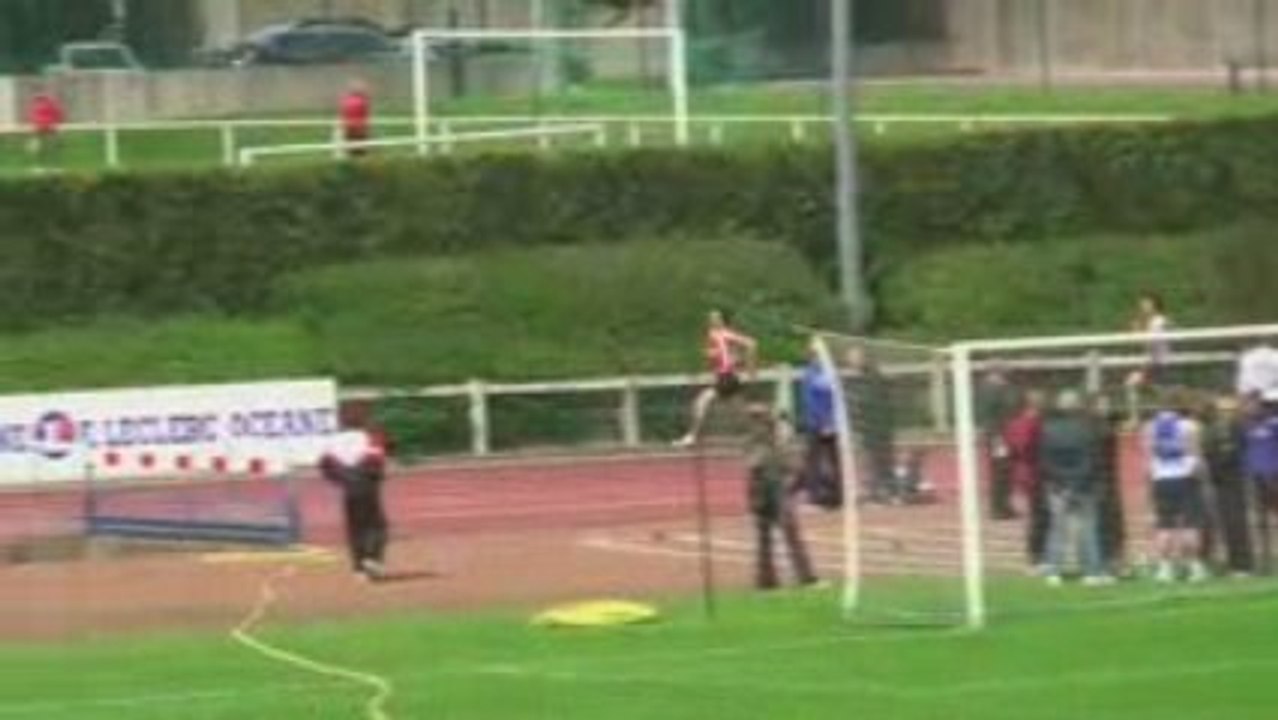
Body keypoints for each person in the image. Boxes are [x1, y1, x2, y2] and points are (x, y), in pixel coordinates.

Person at [1038, 389, 1111, 586]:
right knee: (1087, 529)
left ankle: (1054, 570)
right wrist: (1075, 484)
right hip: (1084, 485)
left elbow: (1045, 462)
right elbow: (1091, 460)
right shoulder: (1087, 429)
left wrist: (1062, 484)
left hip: (1057, 486)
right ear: (1078, 406)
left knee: (1057, 529)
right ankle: (1091, 571)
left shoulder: (1048, 429)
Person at [743, 403, 819, 590]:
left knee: (788, 535)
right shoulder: (756, 445)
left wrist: (791, 485)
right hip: (765, 492)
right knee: (767, 538)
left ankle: (804, 577)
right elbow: (756, 471)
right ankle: (767, 580)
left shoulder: (775, 443)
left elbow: (795, 468)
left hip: (775, 491)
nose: (757, 425)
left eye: (760, 420)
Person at [1143, 394, 1208, 583]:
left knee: (1164, 526)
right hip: (1185, 478)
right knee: (1190, 525)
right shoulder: (1190, 426)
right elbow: (1196, 455)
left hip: (1161, 479)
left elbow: (1147, 459)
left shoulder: (1149, 427)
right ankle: (1194, 566)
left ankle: (1165, 568)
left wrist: (1149, 481)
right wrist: (1202, 476)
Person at [673, 310, 757, 447]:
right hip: (725, 377)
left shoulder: (724, 334)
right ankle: (767, 431)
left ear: (722, 321)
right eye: (710, 317)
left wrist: (751, 371)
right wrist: (718, 357)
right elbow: (723, 356)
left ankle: (692, 436)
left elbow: (751, 344)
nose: (711, 320)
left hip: (727, 378)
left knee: (702, 402)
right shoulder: (713, 335)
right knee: (740, 409)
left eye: (715, 318)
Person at [319, 431, 389, 581]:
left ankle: (359, 569)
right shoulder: (369, 436)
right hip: (367, 488)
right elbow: (377, 461)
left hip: (349, 491)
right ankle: (372, 557)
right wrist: (377, 477)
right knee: (377, 526)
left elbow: (324, 464)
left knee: (355, 529)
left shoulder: (335, 441)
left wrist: (340, 481)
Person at [1203, 395, 1254, 575]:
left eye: (1231, 411)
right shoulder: (1210, 431)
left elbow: (1241, 451)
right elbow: (1207, 453)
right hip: (1217, 482)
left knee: (1238, 523)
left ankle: (1243, 565)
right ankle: (1227, 563)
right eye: (1223, 410)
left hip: (1236, 482)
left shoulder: (1240, 430)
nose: (1227, 414)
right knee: (1222, 524)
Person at [845, 346, 898, 503]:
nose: (851, 362)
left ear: (863, 358)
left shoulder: (873, 377)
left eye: (853, 358)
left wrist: (861, 414)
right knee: (870, 460)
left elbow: (874, 402)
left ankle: (883, 492)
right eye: (850, 358)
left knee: (879, 460)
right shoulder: (862, 378)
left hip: (878, 428)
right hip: (868, 428)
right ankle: (876, 491)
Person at [1004, 390, 1046, 568]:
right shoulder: (1037, 424)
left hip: (1018, 472)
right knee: (1037, 517)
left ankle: (1033, 555)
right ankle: (1036, 555)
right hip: (1034, 473)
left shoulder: (1012, 424)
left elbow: (1009, 449)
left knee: (1029, 518)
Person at [797, 339, 841, 509]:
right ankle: (814, 497)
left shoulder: (827, 373)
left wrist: (831, 422)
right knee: (814, 460)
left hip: (828, 424)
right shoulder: (810, 374)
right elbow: (811, 402)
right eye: (813, 355)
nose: (816, 358)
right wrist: (824, 422)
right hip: (817, 424)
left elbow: (833, 399)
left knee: (833, 460)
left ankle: (837, 495)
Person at [977, 363, 1022, 520]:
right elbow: (990, 417)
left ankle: (1004, 505)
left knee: (1005, 471)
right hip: (997, 435)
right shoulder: (989, 390)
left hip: (1002, 434)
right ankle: (998, 508)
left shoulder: (998, 388)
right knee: (999, 471)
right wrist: (997, 438)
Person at [1242, 393, 1278, 574]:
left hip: (1273, 474)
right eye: (1248, 405)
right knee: (1259, 519)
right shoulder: (1245, 426)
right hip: (1254, 476)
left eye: (1253, 404)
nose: (1250, 408)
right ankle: (1265, 559)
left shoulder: (1273, 423)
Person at [1125, 293, 1171, 389]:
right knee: (1131, 383)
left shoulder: (1160, 320)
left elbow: (1149, 342)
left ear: (1155, 306)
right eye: (1142, 305)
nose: (1143, 307)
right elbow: (1138, 343)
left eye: (1147, 304)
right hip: (1148, 363)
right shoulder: (1144, 321)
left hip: (1158, 364)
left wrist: (1137, 331)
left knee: (1135, 383)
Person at [27, 90, 65, 170]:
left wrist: (35, 124)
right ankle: (54, 166)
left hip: (41, 128)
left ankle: (39, 166)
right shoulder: (52, 104)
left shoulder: (36, 105)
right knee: (51, 148)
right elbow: (59, 114)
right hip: (48, 128)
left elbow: (32, 117)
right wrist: (57, 122)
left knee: (40, 148)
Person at [339, 80, 373, 159]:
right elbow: (365, 116)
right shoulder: (363, 101)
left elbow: (343, 115)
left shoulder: (345, 101)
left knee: (350, 151)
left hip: (348, 129)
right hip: (360, 130)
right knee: (361, 153)